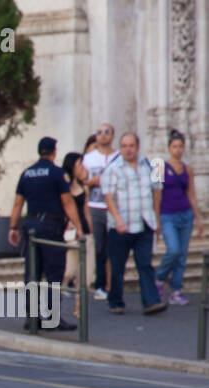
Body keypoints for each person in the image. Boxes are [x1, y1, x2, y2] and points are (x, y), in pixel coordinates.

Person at [7, 137, 84, 331]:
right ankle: (52, 317)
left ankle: (32, 317)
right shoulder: (58, 174)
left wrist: (13, 227)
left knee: (32, 273)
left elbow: (17, 204)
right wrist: (79, 226)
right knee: (54, 274)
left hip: (31, 225)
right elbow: (67, 202)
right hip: (50, 226)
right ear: (54, 152)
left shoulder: (27, 174)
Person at [101, 132, 166, 315]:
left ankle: (151, 301)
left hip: (144, 222)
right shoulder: (112, 168)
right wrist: (117, 219)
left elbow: (157, 192)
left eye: (130, 146)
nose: (127, 149)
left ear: (137, 147)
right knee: (117, 266)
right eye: (123, 146)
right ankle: (115, 301)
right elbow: (108, 196)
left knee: (145, 263)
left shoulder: (151, 165)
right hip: (121, 226)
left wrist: (157, 219)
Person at [155, 129, 203, 306]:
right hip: (167, 214)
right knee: (173, 249)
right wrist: (156, 217)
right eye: (175, 146)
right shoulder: (159, 165)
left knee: (182, 254)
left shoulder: (187, 168)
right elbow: (155, 193)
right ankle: (159, 277)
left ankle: (176, 290)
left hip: (185, 213)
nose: (178, 150)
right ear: (169, 148)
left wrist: (197, 217)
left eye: (181, 146)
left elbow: (191, 193)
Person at [82, 123, 121, 300]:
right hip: (95, 205)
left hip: (115, 207)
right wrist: (95, 181)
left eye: (106, 132)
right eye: (99, 132)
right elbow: (83, 183)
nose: (102, 135)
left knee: (114, 248)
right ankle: (100, 285)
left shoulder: (119, 157)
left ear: (112, 136)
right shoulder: (89, 159)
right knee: (99, 248)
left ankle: (113, 285)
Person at [61, 147, 93, 310]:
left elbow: (86, 210)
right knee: (68, 271)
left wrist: (91, 232)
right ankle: (53, 297)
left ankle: (79, 308)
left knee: (86, 276)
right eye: (80, 164)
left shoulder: (83, 187)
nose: (83, 168)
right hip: (70, 234)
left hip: (85, 233)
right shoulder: (63, 187)